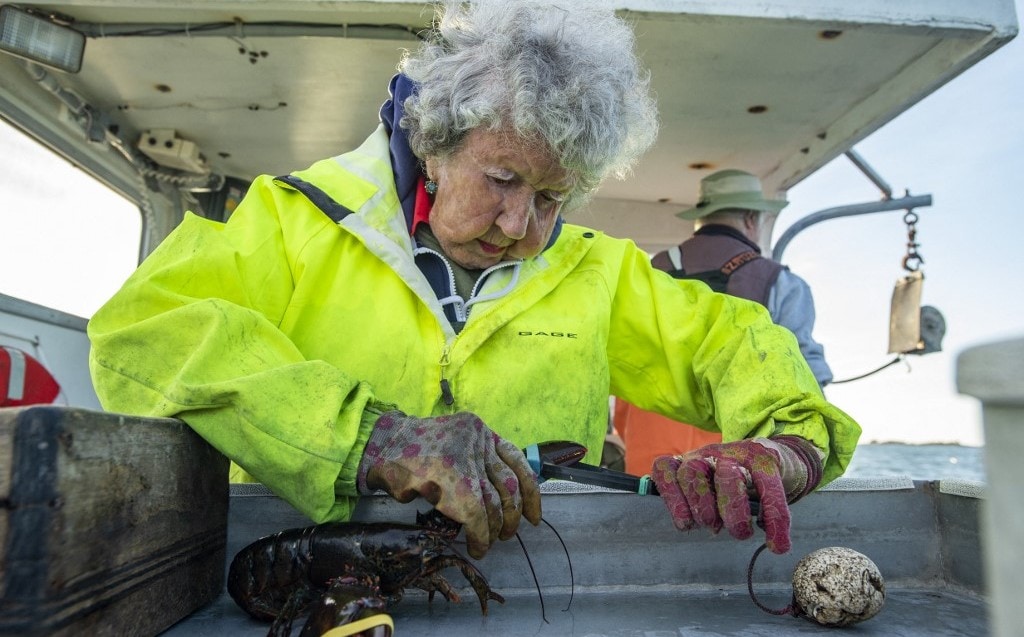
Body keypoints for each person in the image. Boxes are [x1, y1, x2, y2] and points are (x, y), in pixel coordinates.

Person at [87, 0, 860, 561]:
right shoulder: (294, 222)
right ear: (433, 144)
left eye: (553, 196)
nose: (522, 224)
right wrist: (373, 437)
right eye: (502, 178)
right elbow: (142, 330)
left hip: (534, 592)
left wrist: (790, 441)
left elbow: (731, 342)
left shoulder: (597, 268)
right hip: (295, 576)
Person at [615, 169, 834, 476]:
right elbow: (806, 378)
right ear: (750, 219)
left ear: (701, 217)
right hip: (733, 470)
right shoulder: (782, 284)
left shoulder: (650, 273)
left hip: (648, 457)